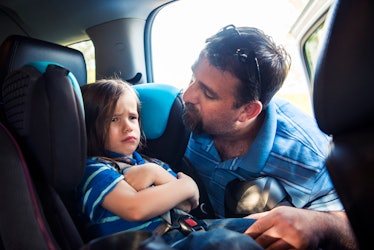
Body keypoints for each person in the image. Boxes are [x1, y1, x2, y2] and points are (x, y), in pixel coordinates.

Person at [182, 24, 358, 249]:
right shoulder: (184, 115)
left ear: (248, 111)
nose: (187, 95)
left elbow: (358, 230)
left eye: (208, 93)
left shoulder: (309, 155)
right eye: (192, 78)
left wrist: (320, 224)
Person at [76, 78, 263, 249]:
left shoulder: (152, 163)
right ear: (89, 126)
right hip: (150, 243)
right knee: (229, 244)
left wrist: (156, 173)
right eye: (114, 119)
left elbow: (189, 203)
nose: (128, 126)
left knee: (264, 227)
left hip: (188, 229)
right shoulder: (94, 170)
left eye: (132, 117)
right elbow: (135, 208)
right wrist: (185, 185)